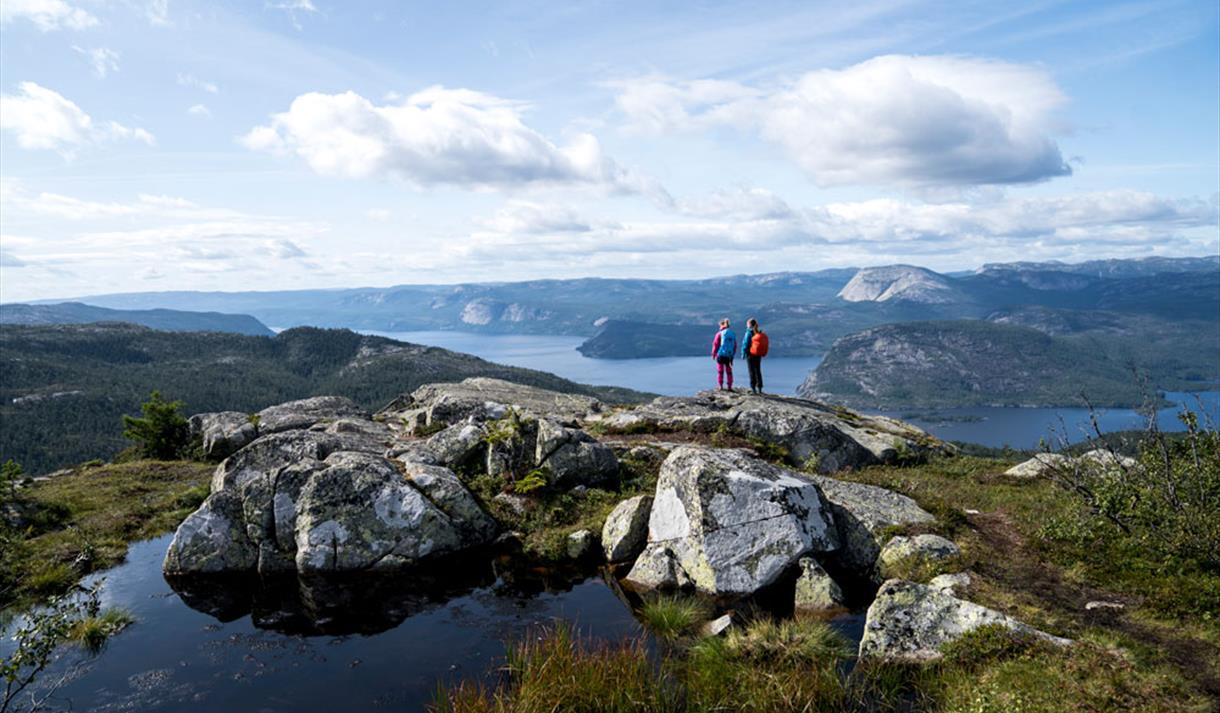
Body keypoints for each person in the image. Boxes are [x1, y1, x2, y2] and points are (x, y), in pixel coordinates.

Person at [742, 317, 769, 394]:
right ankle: (759, 388)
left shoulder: (748, 333)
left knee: (751, 371)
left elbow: (745, 344)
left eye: (747, 324)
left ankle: (753, 388)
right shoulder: (758, 332)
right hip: (758, 354)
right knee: (758, 370)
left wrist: (743, 353)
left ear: (749, 324)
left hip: (750, 354)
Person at [711, 318, 737, 391]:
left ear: (721, 325)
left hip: (721, 355)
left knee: (720, 371)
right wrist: (732, 354)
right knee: (729, 371)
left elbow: (715, 345)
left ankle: (721, 386)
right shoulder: (732, 333)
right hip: (729, 355)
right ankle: (729, 386)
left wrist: (713, 354)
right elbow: (735, 345)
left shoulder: (719, 334)